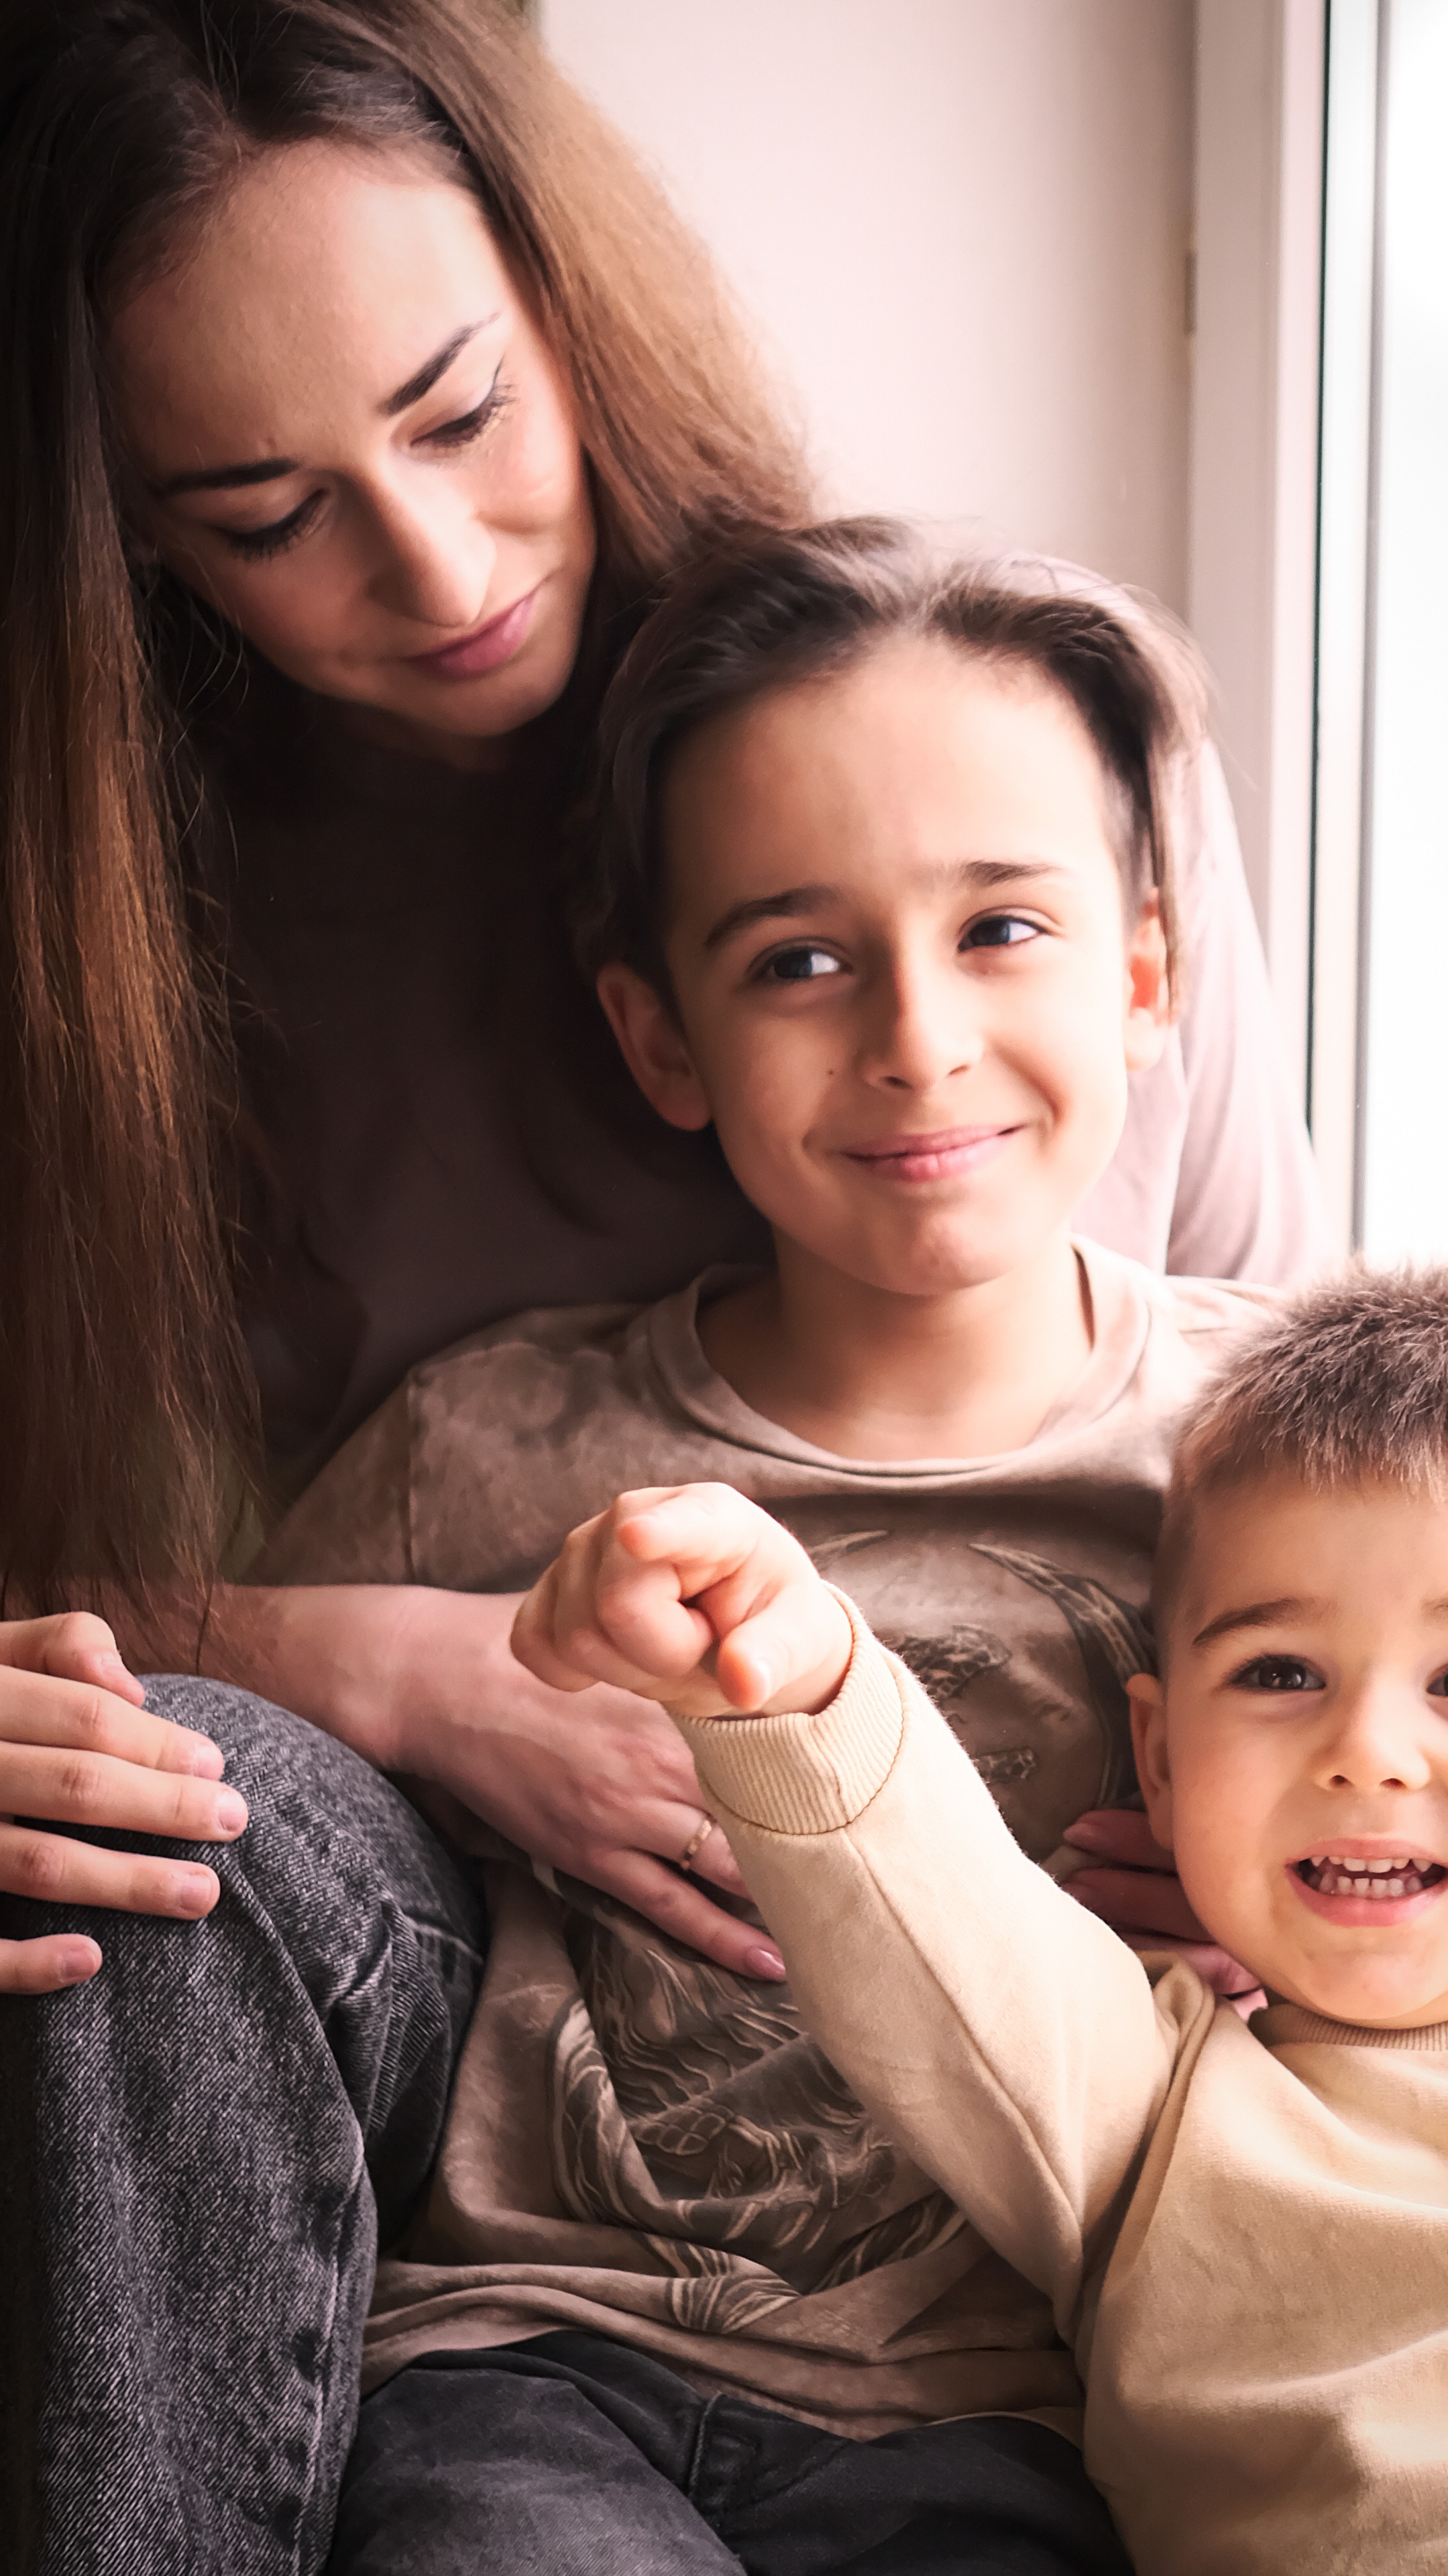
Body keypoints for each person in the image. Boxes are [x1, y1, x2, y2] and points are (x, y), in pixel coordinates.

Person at [0, 1, 1318, 2563]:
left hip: (978, 2126)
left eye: (466, 411)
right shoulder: (111, 931)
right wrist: (373, 1658)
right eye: (265, 509)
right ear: (125, 537)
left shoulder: (992, 724)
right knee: (161, 1825)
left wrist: (1269, 1804)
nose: (442, 566)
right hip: (462, 2045)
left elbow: (1312, 1460)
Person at [256, 519, 1273, 2573]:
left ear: (1148, 971)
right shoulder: (495, 1438)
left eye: (1004, 929)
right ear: (660, 1040)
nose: (916, 1038)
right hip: (537, 2369)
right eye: (801, 959)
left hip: (1016, 2396)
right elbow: (196, 1705)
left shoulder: (1266, 1460)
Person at [534, 1267, 1448, 2573]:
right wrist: (796, 1670)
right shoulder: (1142, 2100)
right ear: (1156, 1760)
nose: (1366, 1749)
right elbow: (932, 1919)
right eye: (1278, 1672)